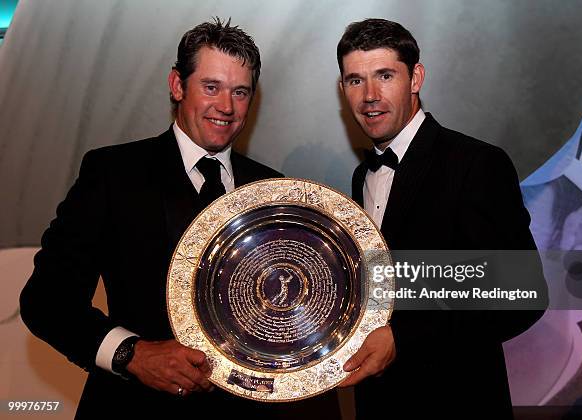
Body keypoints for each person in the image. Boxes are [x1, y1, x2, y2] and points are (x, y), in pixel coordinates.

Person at [20, 18, 339, 419]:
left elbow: (296, 314)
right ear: (177, 85)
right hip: (135, 408)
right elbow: (45, 301)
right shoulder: (113, 173)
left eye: (240, 92)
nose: (226, 106)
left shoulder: (273, 190)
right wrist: (131, 354)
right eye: (211, 87)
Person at [335, 18, 548, 418]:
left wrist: (403, 338)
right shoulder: (361, 176)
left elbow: (522, 295)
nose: (370, 96)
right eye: (355, 80)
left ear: (415, 77)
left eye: (385, 75)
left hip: (458, 401)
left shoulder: (477, 164)